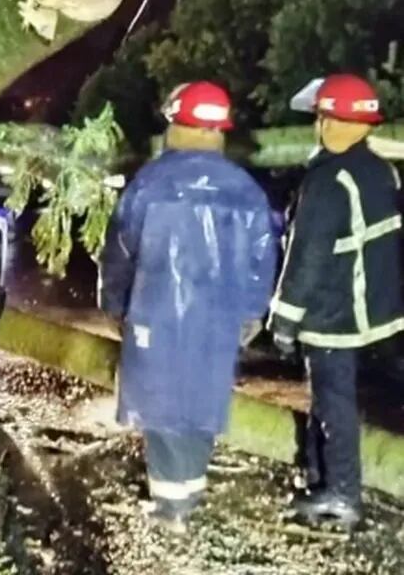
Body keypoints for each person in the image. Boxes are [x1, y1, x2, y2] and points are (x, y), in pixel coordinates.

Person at [99, 81, 278, 532]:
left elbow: (120, 248)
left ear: (176, 124)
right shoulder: (247, 190)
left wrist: (115, 302)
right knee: (202, 401)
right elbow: (263, 257)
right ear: (220, 132)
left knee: (159, 405)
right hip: (220, 318)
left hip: (154, 312)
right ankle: (189, 492)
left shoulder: (150, 183)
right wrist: (253, 313)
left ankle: (171, 507)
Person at [267, 74, 403, 529]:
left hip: (335, 315)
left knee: (333, 402)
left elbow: (306, 256)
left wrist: (284, 321)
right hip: (377, 310)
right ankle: (321, 476)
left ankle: (342, 494)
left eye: (321, 117)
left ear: (328, 121)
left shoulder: (326, 181)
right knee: (337, 400)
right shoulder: (381, 169)